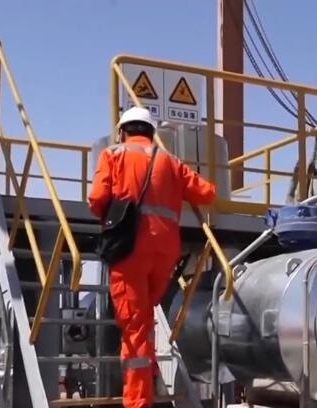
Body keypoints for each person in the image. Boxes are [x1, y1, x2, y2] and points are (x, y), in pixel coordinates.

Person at [88, 106, 216, 408]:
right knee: (144, 319)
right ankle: (150, 377)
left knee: (134, 327)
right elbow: (207, 193)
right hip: (165, 252)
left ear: (122, 131)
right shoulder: (170, 161)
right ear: (151, 132)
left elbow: (96, 199)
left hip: (130, 250)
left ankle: (137, 401)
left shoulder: (113, 154)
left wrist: (111, 216)